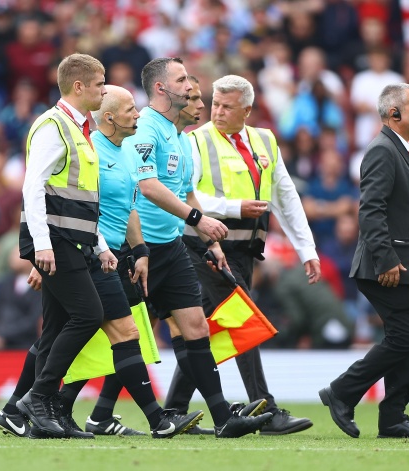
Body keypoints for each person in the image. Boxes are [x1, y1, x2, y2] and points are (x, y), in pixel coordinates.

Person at [0, 86, 204, 439]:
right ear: (109, 116)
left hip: (99, 251)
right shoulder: (79, 140)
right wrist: (43, 247)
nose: (137, 114)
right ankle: (147, 418)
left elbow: (117, 208)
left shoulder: (123, 150)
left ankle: (22, 409)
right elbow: (48, 194)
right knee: (118, 331)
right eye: (130, 109)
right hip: (80, 251)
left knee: (61, 332)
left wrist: (137, 249)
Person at [119, 57, 273, 438]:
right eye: (182, 80)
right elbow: (148, 187)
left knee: (196, 327)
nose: (190, 87)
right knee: (120, 333)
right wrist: (198, 220)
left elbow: (188, 192)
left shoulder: (180, 136)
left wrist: (210, 242)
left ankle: (222, 417)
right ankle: (62, 403)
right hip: (138, 248)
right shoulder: (145, 128)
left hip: (171, 247)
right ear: (161, 89)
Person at [166, 74, 319, 435]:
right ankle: (267, 408)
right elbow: (186, 196)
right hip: (206, 247)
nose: (217, 112)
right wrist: (235, 207)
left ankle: (172, 411)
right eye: (215, 104)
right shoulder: (195, 141)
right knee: (243, 319)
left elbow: (285, 197)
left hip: (245, 251)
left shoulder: (265, 141)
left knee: (204, 330)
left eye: (227, 106)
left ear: (247, 110)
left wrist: (306, 248)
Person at [318, 83, 409, 439]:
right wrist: (386, 258)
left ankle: (393, 418)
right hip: (387, 267)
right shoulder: (383, 150)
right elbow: (370, 210)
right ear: (394, 113)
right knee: (404, 339)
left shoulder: (399, 150)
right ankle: (342, 392)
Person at [15, 53, 114, 438]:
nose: (104, 90)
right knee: (89, 314)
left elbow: (82, 198)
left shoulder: (79, 129)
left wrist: (100, 245)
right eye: (100, 83)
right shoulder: (53, 126)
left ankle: (37, 414)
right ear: (79, 86)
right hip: (55, 241)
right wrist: (42, 244)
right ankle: (39, 398)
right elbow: (32, 186)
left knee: (56, 327)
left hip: (71, 240)